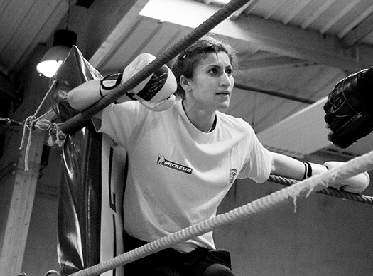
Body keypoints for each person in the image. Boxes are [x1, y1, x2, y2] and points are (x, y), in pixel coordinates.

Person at [67, 35, 369, 276]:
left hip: (199, 255)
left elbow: (273, 162)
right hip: (146, 253)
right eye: (213, 71)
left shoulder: (238, 135)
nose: (226, 81)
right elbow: (73, 101)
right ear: (185, 82)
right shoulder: (149, 117)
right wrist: (121, 81)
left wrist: (331, 175)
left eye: (229, 71)